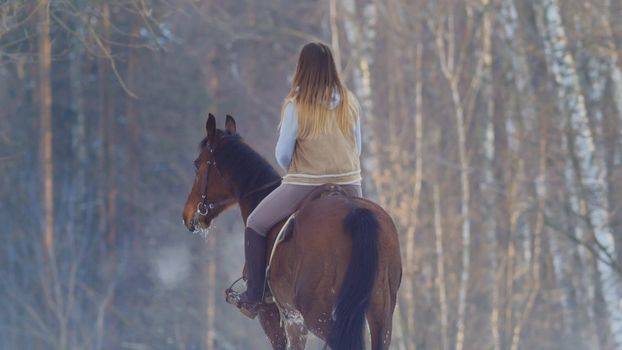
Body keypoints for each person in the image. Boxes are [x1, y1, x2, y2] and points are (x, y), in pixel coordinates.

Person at [237, 42, 363, 313]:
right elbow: (358, 147)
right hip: (350, 185)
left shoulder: (297, 105)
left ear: (302, 69)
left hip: (307, 183)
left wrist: (297, 167)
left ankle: (255, 295)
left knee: (256, 223)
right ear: (331, 67)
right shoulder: (350, 101)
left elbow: (283, 154)